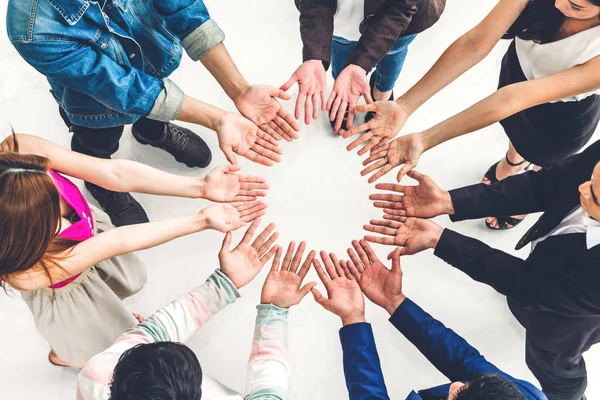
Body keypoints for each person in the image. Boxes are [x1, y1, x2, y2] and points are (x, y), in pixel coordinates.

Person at [6, 0, 299, 226]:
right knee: (96, 142)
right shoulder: (31, 26)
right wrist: (218, 118)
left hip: (150, 63)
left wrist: (239, 90)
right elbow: (122, 88)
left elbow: (184, 9)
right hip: (92, 104)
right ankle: (100, 182)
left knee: (156, 109)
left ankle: (152, 131)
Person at [0, 132, 268, 369]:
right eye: (51, 208)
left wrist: (200, 187)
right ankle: (66, 353)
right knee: (91, 344)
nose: (59, 192)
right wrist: (200, 220)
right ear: (23, 236)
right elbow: (117, 242)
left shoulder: (18, 148)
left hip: (92, 238)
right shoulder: (28, 273)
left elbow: (113, 173)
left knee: (119, 290)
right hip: (67, 291)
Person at [364, 141, 600, 400]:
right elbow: (551, 183)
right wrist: (450, 201)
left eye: (596, 198)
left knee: (555, 364)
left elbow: (527, 284)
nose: (582, 188)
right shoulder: (528, 394)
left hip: (563, 322)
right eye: (591, 177)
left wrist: (354, 321)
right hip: (552, 276)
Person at [353, 0, 600, 229]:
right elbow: (475, 43)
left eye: (577, 6)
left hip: (559, 116)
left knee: (543, 157)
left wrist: (425, 139)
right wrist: (405, 106)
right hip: (518, 71)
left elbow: (512, 100)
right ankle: (513, 161)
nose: (559, 3)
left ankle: (525, 182)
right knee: (513, 131)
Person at [77, 226, 318, 400]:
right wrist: (274, 311)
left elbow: (155, 330)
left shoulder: (96, 376)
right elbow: (267, 390)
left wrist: (224, 285)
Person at [310, 247, 545, 399]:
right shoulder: (527, 396)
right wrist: (396, 302)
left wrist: (354, 319)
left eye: (456, 396)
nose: (454, 385)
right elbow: (463, 358)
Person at [281, 0, 445, 132]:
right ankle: (343, 94)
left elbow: (400, 8)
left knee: (391, 55)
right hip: (338, 20)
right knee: (341, 56)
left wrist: (360, 64)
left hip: (400, 19)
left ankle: (382, 92)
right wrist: (315, 55)